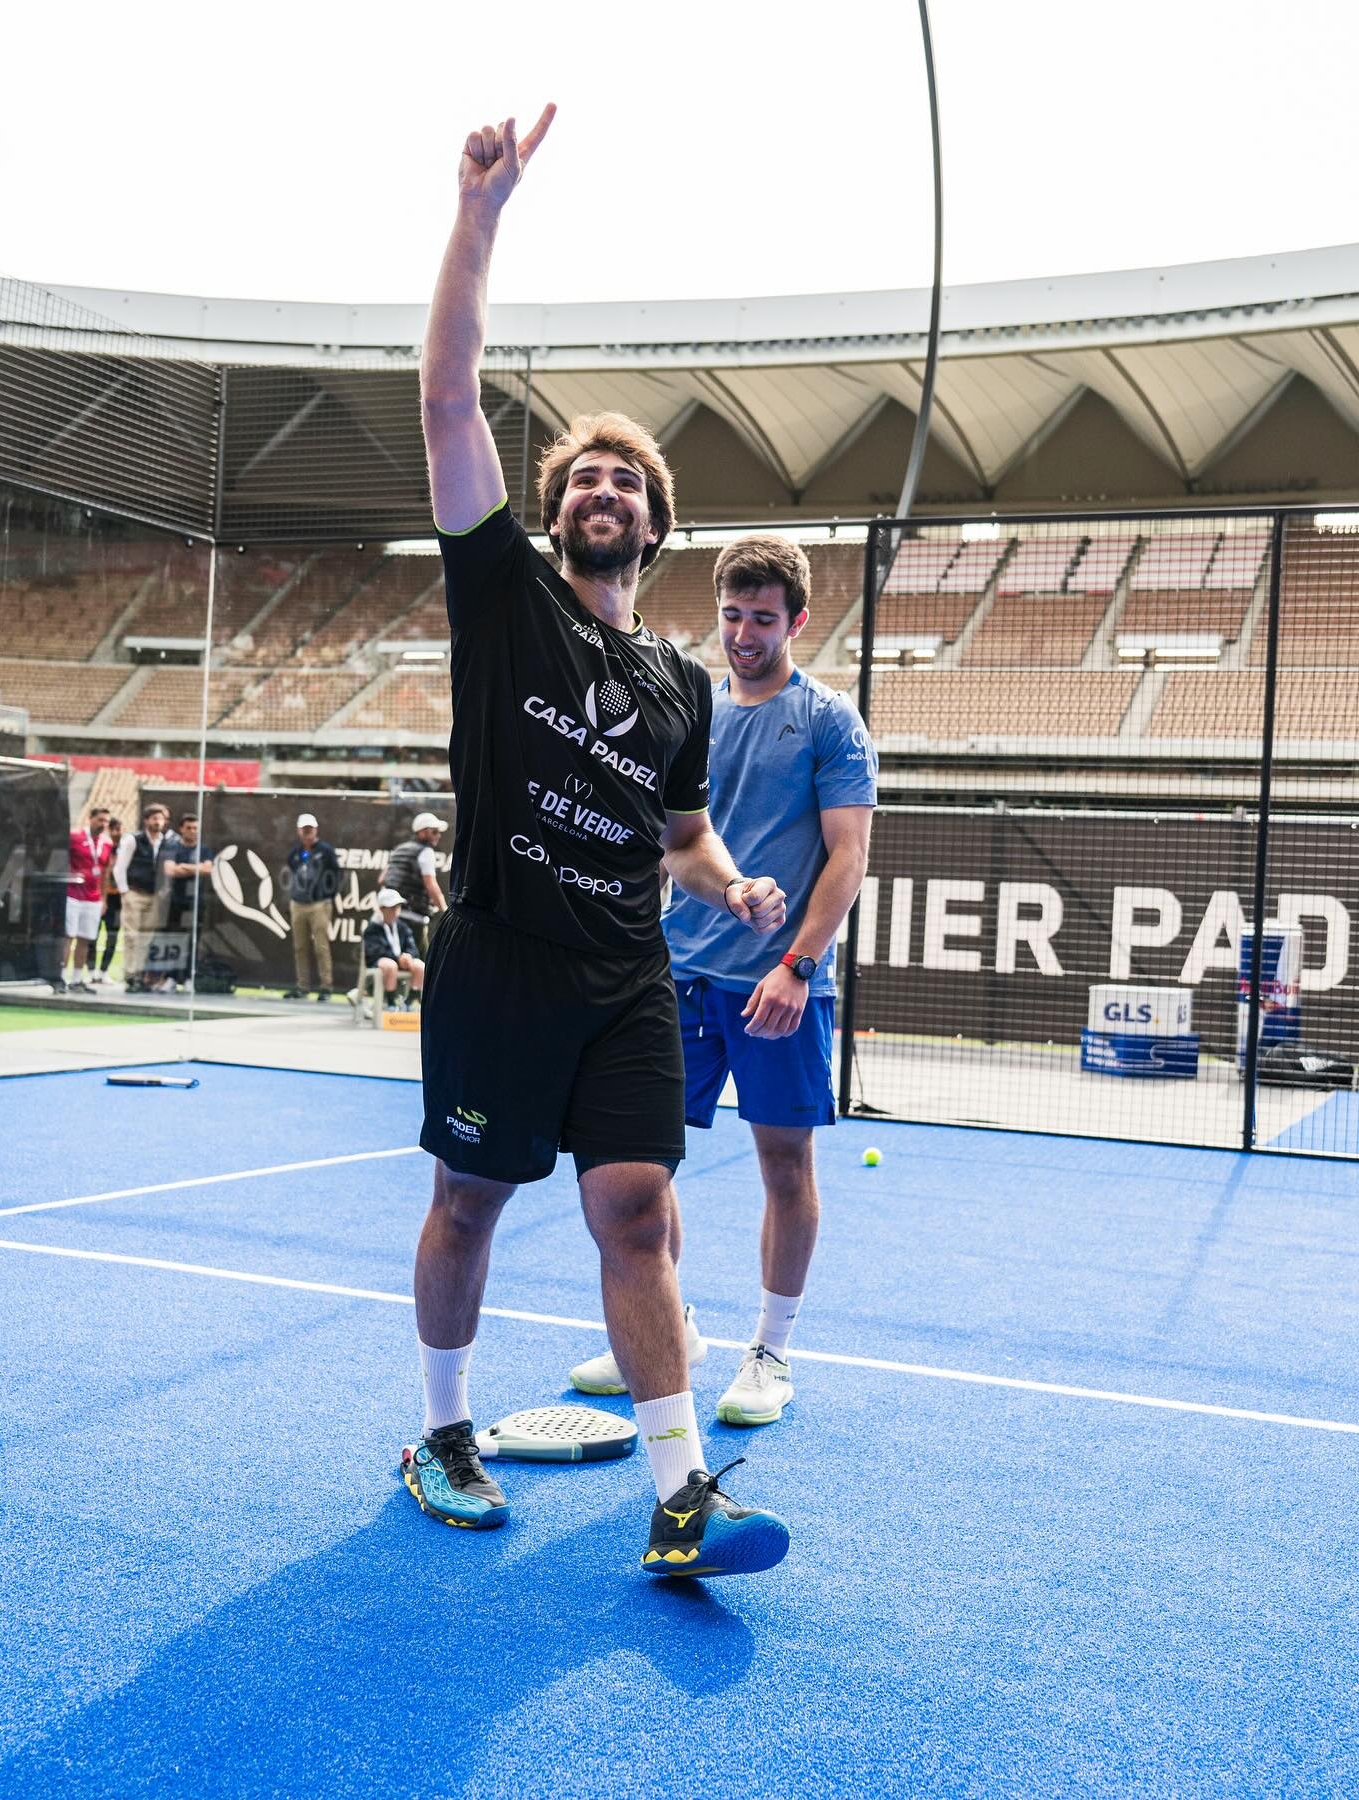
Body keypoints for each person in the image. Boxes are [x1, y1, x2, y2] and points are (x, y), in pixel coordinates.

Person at [401, 104, 791, 1581]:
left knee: (639, 1210)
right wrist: (481, 214)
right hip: (500, 959)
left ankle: (683, 1494)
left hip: (621, 974)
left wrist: (728, 879)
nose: (601, 488)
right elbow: (446, 402)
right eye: (581, 476)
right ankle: (441, 1430)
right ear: (555, 512)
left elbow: (678, 833)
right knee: (469, 1201)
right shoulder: (504, 595)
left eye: (625, 479)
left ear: (656, 524)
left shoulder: (680, 685)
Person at [570, 534, 878, 1426]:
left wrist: (796, 966)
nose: (745, 634)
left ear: (798, 621)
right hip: (677, 976)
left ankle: (772, 1353)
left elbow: (848, 859)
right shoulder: (691, 704)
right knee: (641, 1163)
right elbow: (663, 837)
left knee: (785, 1165)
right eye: (733, 616)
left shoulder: (828, 720)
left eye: (764, 619)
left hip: (783, 987)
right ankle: (671, 1323)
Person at [114, 803, 176, 991]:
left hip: (154, 896)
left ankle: (140, 974)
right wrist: (124, 891)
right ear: (146, 820)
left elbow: (168, 868)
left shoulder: (167, 841)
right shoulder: (134, 840)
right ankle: (131, 975)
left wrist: (164, 889)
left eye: (161, 819)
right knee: (131, 935)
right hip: (135, 892)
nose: (158, 822)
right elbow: (120, 867)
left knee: (146, 938)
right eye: (154, 818)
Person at [284, 812, 341, 1000]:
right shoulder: (295, 852)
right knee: (299, 946)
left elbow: (336, 874)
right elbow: (292, 872)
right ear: (299, 831)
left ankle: (326, 987)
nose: (307, 833)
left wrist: (327, 895)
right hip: (298, 903)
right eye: (304, 829)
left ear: (315, 829)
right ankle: (303, 986)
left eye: (310, 829)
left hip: (319, 904)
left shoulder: (325, 851)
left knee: (321, 946)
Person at [382, 811, 449, 956]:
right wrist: (444, 911)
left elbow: (382, 879)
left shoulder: (399, 849)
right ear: (423, 832)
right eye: (435, 831)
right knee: (421, 963)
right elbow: (431, 885)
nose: (438, 835)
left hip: (392, 916)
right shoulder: (426, 852)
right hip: (413, 919)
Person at [62, 805, 112, 993]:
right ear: (90, 819)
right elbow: (63, 861)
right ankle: (60, 977)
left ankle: (76, 979)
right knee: (69, 936)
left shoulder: (106, 843)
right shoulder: (75, 837)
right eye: (100, 820)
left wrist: (104, 898)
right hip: (73, 894)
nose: (103, 824)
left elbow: (106, 872)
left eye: (106, 821)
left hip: (93, 898)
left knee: (86, 938)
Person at [162, 813, 214, 994]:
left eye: (195, 828)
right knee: (174, 939)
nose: (192, 831)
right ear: (181, 829)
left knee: (193, 940)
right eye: (189, 828)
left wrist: (185, 867)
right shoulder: (172, 847)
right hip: (176, 901)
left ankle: (188, 978)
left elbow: (208, 869)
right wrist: (196, 869)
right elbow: (170, 870)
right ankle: (171, 977)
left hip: (196, 902)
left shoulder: (204, 850)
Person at [360, 887, 425, 1009]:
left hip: (401, 961)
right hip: (380, 962)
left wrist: (408, 956)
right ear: (381, 909)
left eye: (397, 907)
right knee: (390, 965)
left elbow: (413, 948)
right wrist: (397, 958)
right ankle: (391, 1002)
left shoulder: (403, 927)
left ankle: (410, 1001)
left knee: (420, 966)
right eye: (391, 908)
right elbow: (375, 952)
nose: (395, 911)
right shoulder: (372, 929)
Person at [93, 811, 126, 985]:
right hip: (98, 896)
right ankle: (91, 970)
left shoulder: (126, 850)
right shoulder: (100, 848)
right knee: (93, 935)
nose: (116, 833)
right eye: (113, 829)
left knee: (112, 936)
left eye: (119, 829)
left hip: (117, 898)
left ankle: (104, 970)